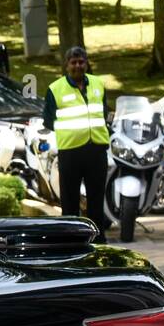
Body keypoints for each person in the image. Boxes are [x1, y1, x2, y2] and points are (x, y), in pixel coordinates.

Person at [43, 46, 108, 240]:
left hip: (96, 150)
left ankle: (98, 241)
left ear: (86, 64)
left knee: (96, 200)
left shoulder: (98, 84)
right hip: (70, 152)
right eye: (73, 63)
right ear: (66, 65)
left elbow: (103, 112)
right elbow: (48, 120)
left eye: (81, 62)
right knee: (70, 202)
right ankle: (70, 241)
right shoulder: (55, 89)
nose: (78, 66)